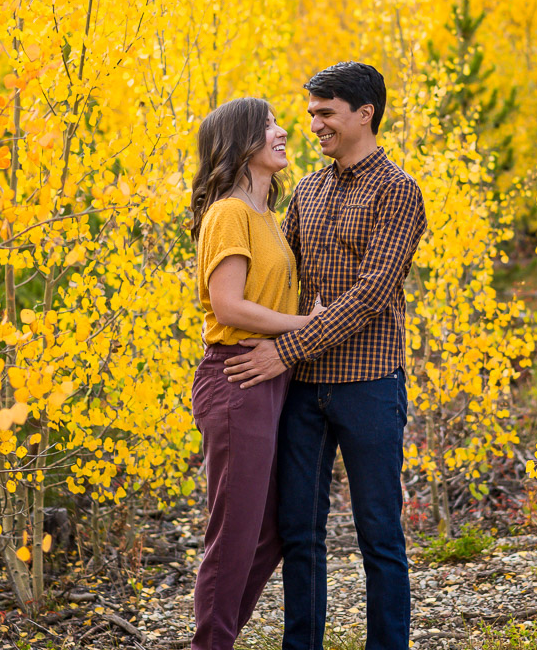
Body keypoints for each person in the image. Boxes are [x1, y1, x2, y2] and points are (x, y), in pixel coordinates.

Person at [224, 62, 427, 650]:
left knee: (380, 536)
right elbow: (280, 277)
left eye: (326, 112)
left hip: (368, 386)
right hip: (305, 390)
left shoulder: (398, 192)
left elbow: (369, 295)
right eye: (311, 113)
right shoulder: (308, 189)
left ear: (364, 114)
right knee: (300, 534)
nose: (314, 124)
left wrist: (281, 349)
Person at [188, 96, 322, 650]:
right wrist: (303, 326)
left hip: (270, 381)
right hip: (237, 380)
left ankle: (217, 639)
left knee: (268, 533)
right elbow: (229, 306)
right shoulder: (229, 214)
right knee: (235, 533)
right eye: (268, 126)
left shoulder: (267, 216)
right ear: (243, 142)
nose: (283, 130)